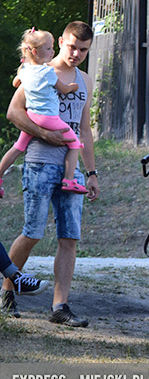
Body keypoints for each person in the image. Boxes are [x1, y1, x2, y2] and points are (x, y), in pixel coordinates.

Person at [0, 21, 99, 326]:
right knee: (32, 232)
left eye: (83, 50)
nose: (77, 54)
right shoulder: (38, 70)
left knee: (69, 237)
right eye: (72, 47)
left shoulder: (84, 80)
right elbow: (14, 113)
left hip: (71, 168)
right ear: (62, 42)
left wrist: (92, 172)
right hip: (40, 162)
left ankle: (60, 306)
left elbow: (84, 129)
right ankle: (8, 289)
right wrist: (46, 133)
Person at [0, 29, 86, 199]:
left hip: (32, 115)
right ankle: (69, 180)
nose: (52, 52)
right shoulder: (48, 72)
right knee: (74, 143)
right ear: (35, 51)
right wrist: (73, 86)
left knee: (18, 146)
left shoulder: (25, 70)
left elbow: (15, 82)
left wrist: (25, 73)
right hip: (48, 118)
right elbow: (64, 89)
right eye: (48, 48)